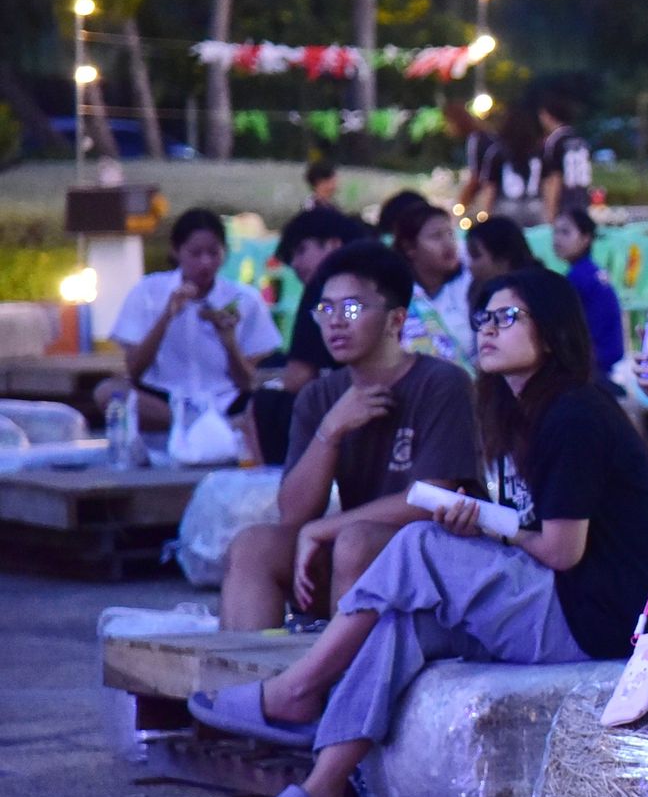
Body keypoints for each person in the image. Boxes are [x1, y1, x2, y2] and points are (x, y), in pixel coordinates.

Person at [193, 267, 648, 797]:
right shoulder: (514, 414)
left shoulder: (575, 414)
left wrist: (489, 526)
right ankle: (326, 791)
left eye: (508, 317)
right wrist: (484, 526)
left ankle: (300, 687)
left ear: (553, 331)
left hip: (594, 618)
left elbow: (562, 551)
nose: (488, 330)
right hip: (552, 601)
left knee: (418, 543)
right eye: (483, 318)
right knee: (402, 622)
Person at [219, 243, 481, 633]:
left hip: (439, 556)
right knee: (253, 546)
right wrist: (330, 431)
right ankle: (242, 672)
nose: (336, 322)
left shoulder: (442, 382)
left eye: (352, 309)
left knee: (354, 542)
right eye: (326, 309)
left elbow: (433, 497)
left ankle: (337, 669)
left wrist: (325, 528)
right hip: (356, 549)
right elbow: (295, 514)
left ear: (396, 320)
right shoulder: (320, 396)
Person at [104, 207, 282, 434]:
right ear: (176, 251)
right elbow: (134, 370)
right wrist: (167, 316)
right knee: (108, 392)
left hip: (225, 399)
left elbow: (247, 383)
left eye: (213, 253)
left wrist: (228, 341)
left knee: (271, 401)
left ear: (224, 252)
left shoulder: (244, 299)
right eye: (195, 254)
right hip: (165, 398)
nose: (205, 262)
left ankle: (213, 426)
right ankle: (200, 427)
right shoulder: (148, 291)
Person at [250, 206, 372, 463]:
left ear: (333, 244)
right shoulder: (387, 277)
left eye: (301, 251)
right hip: (401, 392)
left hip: (356, 407)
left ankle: (273, 479)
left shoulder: (323, 287)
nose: (295, 264)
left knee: (264, 404)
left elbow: (298, 377)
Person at [388, 200, 475, 367]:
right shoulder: (396, 295)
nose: (448, 243)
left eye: (450, 233)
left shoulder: (469, 284)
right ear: (409, 248)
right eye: (436, 236)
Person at [549, 206, 627, 378]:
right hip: (607, 358)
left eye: (565, 232)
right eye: (555, 232)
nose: (557, 239)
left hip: (593, 363)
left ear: (586, 238)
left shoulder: (578, 278)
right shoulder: (593, 271)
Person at [539, 95, 594, 223]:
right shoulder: (578, 137)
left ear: (549, 115)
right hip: (582, 194)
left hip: (564, 198)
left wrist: (550, 211)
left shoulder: (554, 140)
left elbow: (554, 177)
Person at [463, 216, 536, 305]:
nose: (470, 266)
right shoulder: (477, 294)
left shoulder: (536, 295)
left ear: (503, 258)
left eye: (476, 256)